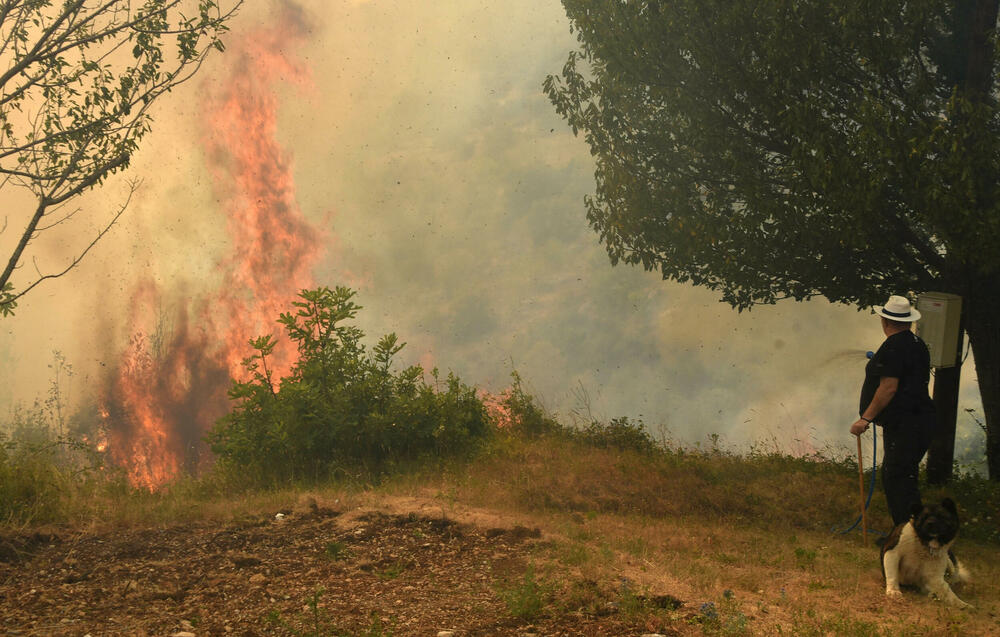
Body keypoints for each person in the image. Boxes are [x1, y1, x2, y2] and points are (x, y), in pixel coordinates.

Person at [850, 295, 936, 527]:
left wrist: (865, 419)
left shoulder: (894, 347)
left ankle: (909, 534)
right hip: (919, 420)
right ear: (908, 321)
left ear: (884, 320)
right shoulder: (916, 344)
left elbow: (888, 388)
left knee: (897, 477)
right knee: (904, 476)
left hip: (906, 423)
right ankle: (911, 532)